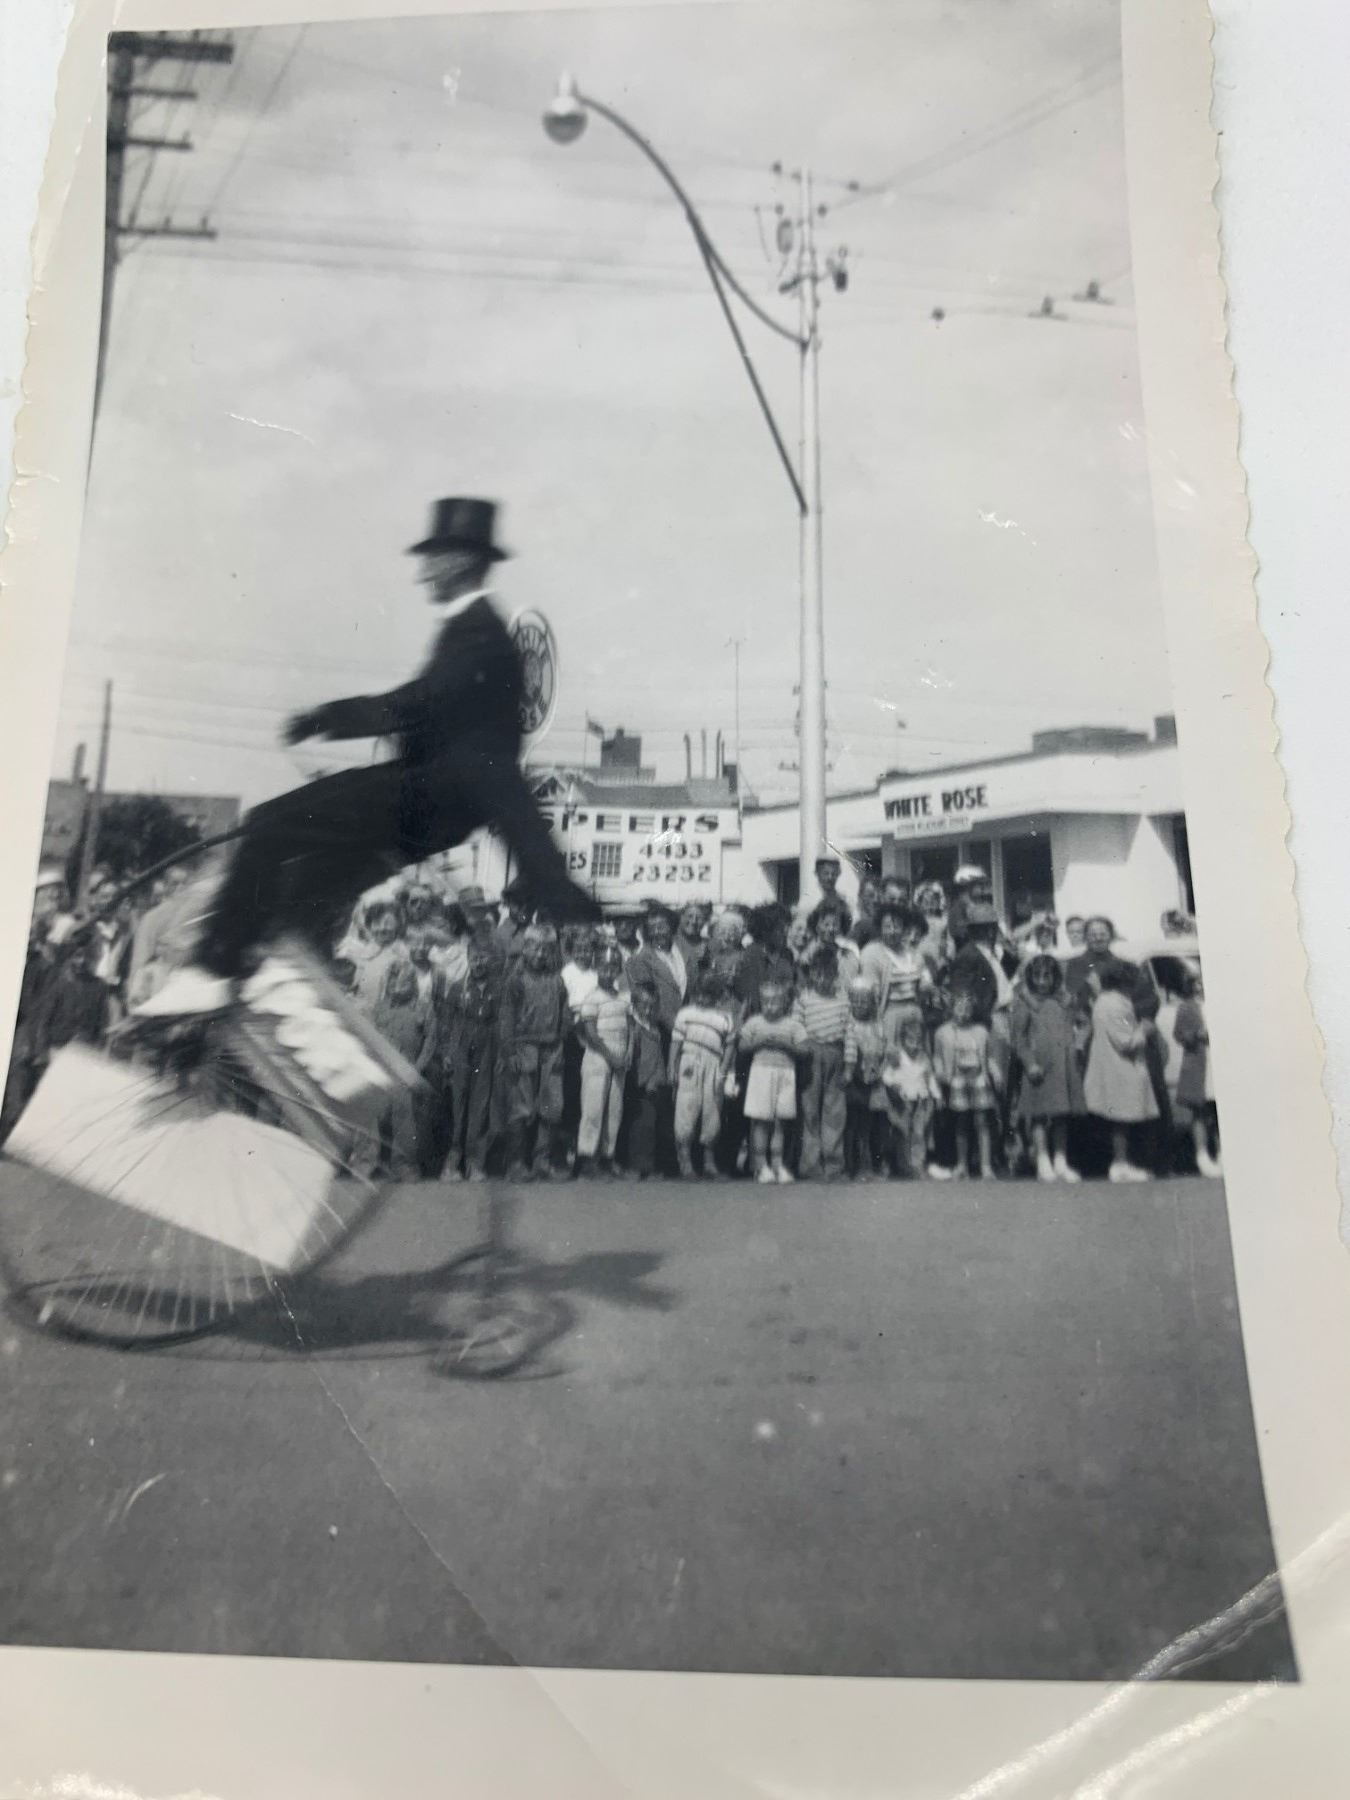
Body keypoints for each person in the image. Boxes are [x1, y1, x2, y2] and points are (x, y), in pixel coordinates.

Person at [140, 499, 598, 1016]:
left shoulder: (479, 636)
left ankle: (214, 969)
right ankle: (279, 966)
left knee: (267, 825)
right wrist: (551, 876)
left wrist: (330, 717)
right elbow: (487, 760)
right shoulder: (474, 632)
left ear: (460, 561)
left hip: (420, 798)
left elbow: (420, 704)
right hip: (432, 813)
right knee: (319, 877)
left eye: (432, 559)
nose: (423, 574)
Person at [497, 922, 570, 1181]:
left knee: (551, 1106)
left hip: (551, 1048)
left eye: (546, 950)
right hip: (524, 1048)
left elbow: (564, 1013)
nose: (540, 955)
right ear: (525, 948)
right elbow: (506, 1018)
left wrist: (560, 1043)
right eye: (535, 948)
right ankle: (516, 1163)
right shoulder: (515, 980)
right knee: (521, 1107)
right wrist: (510, 1052)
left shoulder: (556, 980)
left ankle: (542, 1161)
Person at [1083, 962, 1158, 1182]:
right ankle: (1120, 1164)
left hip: (1112, 1066)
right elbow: (1125, 1041)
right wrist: (1144, 1030)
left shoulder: (1104, 1002)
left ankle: (1122, 1162)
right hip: (1121, 1067)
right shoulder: (1116, 1006)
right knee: (1122, 1119)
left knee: (1121, 1118)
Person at [1011, 953, 1083, 1182]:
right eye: (1037, 976)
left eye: (1047, 976)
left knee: (1061, 1115)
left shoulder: (1063, 1001)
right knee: (1039, 1115)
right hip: (1038, 1067)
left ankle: (1061, 1161)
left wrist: (1077, 1045)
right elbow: (1019, 1040)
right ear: (1030, 977)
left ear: (1055, 977)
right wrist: (1030, 1064)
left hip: (1062, 1065)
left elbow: (1080, 1023)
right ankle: (1043, 1160)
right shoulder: (1025, 1002)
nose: (1042, 981)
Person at [439, 937, 505, 1181]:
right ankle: (452, 1162)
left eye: (483, 958)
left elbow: (502, 1024)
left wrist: (501, 1053)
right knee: (458, 1104)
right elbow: (446, 1023)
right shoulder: (457, 988)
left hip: (487, 1048)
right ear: (468, 959)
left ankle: (475, 1162)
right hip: (461, 1047)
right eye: (475, 958)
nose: (479, 963)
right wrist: (447, 1052)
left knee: (481, 1105)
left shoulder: (499, 989)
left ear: (492, 960)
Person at [739, 977, 810, 1184]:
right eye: (766, 1002)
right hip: (761, 1074)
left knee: (780, 1122)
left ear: (785, 1003)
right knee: (761, 1121)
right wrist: (759, 1042)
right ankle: (761, 1166)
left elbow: (805, 1050)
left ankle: (778, 1165)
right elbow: (742, 1046)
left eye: (775, 1002)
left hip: (785, 1075)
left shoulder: (793, 1025)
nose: (770, 1006)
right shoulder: (754, 1023)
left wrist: (787, 1046)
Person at [669, 969, 737, 1180]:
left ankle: (709, 1161)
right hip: (689, 1062)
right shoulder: (685, 1014)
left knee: (712, 1111)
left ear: (716, 996)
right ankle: (685, 1160)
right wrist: (672, 1066)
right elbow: (676, 1042)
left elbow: (730, 1046)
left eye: (707, 995)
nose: (701, 998)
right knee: (686, 1108)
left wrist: (723, 1071)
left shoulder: (724, 1018)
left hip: (713, 1064)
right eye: (698, 993)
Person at [369, 957, 432, 1179]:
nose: (397, 987)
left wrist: (418, 1066)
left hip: (408, 1068)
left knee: (405, 1117)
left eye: (403, 982)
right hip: (383, 1069)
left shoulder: (421, 1008)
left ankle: (406, 1164)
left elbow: (430, 1039)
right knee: (382, 1116)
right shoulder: (380, 1008)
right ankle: (382, 1162)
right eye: (393, 981)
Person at [793, 943, 850, 1181]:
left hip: (836, 1054)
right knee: (810, 1110)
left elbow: (850, 1032)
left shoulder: (842, 1000)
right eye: (817, 974)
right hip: (811, 1056)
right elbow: (796, 1026)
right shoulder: (804, 999)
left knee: (834, 1111)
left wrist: (849, 1064)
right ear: (811, 974)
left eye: (828, 974)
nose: (822, 979)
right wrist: (802, 1047)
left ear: (835, 975)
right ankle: (810, 1164)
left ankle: (834, 1164)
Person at [574, 945, 631, 1180]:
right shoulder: (592, 999)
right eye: (603, 968)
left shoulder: (624, 998)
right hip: (598, 1057)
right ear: (596, 968)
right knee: (593, 1108)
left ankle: (608, 1156)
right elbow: (591, 1034)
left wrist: (627, 1053)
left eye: (613, 968)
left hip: (620, 1058)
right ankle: (587, 1158)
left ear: (619, 970)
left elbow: (631, 1029)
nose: (608, 972)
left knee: (614, 1110)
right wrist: (611, 1057)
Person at [933, 987, 996, 1179]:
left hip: (978, 1079)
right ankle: (962, 1165)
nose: (964, 1013)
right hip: (957, 1080)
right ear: (951, 1008)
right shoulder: (943, 1032)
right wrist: (940, 1074)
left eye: (968, 1009)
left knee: (982, 1122)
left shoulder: (981, 1031)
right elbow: (937, 1057)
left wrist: (995, 1073)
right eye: (959, 1008)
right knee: (961, 1123)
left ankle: (986, 1165)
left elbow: (989, 1057)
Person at [882, 1013, 943, 1178]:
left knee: (919, 1134)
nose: (915, 1046)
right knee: (902, 1133)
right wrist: (894, 1087)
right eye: (911, 1041)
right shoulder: (897, 1058)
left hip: (921, 1101)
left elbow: (930, 1078)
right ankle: (902, 1165)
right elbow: (886, 1077)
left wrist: (937, 1095)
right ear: (903, 1040)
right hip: (902, 1102)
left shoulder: (924, 1058)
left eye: (918, 1041)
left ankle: (916, 1165)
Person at [861, 904, 934, 1040]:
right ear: (880, 928)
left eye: (897, 926)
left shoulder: (912, 953)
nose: (892, 931)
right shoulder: (872, 953)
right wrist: (876, 1027)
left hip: (915, 1016)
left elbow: (925, 983)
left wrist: (926, 985)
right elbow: (872, 997)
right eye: (887, 927)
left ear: (904, 928)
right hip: (890, 1018)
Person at [1174, 971, 1221, 1176]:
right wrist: (1196, 1035)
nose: (1201, 986)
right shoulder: (1186, 1007)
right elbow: (1179, 1034)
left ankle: (1222, 1154)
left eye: (1204, 982)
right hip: (1199, 1064)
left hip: (1217, 1062)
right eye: (1197, 983)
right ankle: (1202, 1156)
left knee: (1219, 1111)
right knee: (1200, 1111)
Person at [842, 977, 889, 1181]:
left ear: (872, 1003)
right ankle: (852, 1166)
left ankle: (871, 1164)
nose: (860, 1005)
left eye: (865, 1001)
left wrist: (881, 1070)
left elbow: (884, 1051)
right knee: (853, 1124)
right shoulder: (849, 1025)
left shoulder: (877, 1026)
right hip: (855, 1080)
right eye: (856, 1001)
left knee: (872, 1125)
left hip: (874, 1080)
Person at [623, 981, 669, 1180]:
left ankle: (651, 1166)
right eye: (645, 1006)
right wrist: (645, 1080)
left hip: (657, 1082)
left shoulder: (657, 1027)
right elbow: (633, 1056)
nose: (649, 1011)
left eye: (653, 1006)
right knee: (642, 1126)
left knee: (655, 1125)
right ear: (635, 1005)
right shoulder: (634, 1028)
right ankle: (638, 1166)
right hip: (642, 1084)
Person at [624, 905, 687, 1038]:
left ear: (672, 927)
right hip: (659, 1032)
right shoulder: (640, 960)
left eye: (661, 927)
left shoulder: (684, 954)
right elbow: (647, 1003)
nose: (657, 932)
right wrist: (677, 1029)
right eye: (652, 928)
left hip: (685, 1027)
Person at [736, 903, 796, 1015]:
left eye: (788, 926)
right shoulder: (752, 955)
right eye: (781, 928)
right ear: (767, 930)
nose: (786, 931)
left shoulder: (787, 954)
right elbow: (752, 998)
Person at [807, 898, 860, 986]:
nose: (830, 929)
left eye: (835, 924)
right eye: (826, 924)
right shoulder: (808, 955)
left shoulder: (847, 956)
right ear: (817, 925)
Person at [494, 879, 534, 963]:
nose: (524, 909)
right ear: (508, 903)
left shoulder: (538, 933)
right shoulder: (500, 932)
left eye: (529, 904)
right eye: (518, 903)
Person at [673, 904, 708, 988]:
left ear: (704, 922)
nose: (694, 922)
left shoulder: (708, 946)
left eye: (699, 918)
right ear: (681, 917)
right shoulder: (670, 943)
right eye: (690, 916)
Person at [852, 876, 882, 951]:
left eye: (879, 897)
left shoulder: (881, 924)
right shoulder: (851, 920)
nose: (876, 900)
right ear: (860, 896)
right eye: (870, 896)